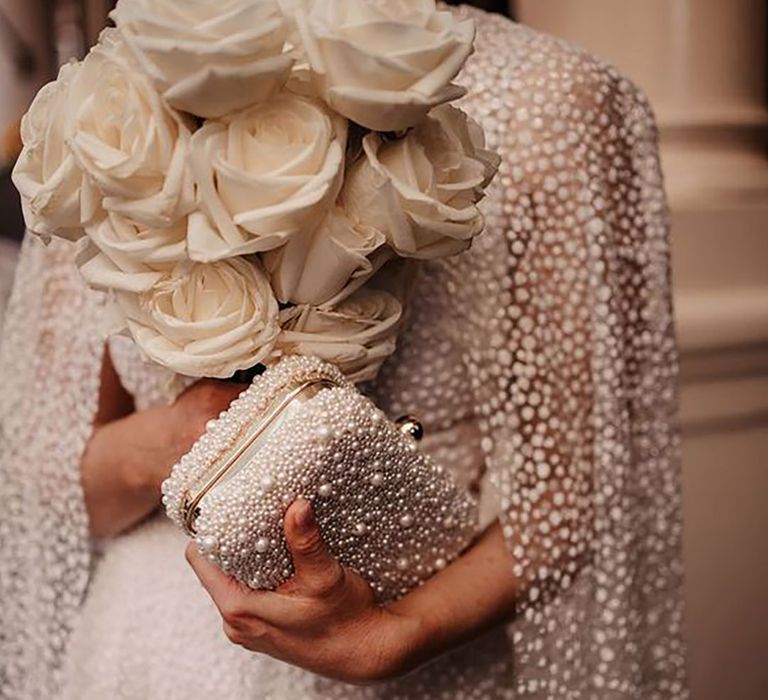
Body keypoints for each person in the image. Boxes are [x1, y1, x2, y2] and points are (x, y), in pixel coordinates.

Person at [0, 4, 688, 699]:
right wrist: (203, 427)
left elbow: (570, 498)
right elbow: (56, 486)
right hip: (144, 658)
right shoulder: (117, 98)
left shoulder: (557, 99)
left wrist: (398, 637)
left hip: (413, 659)